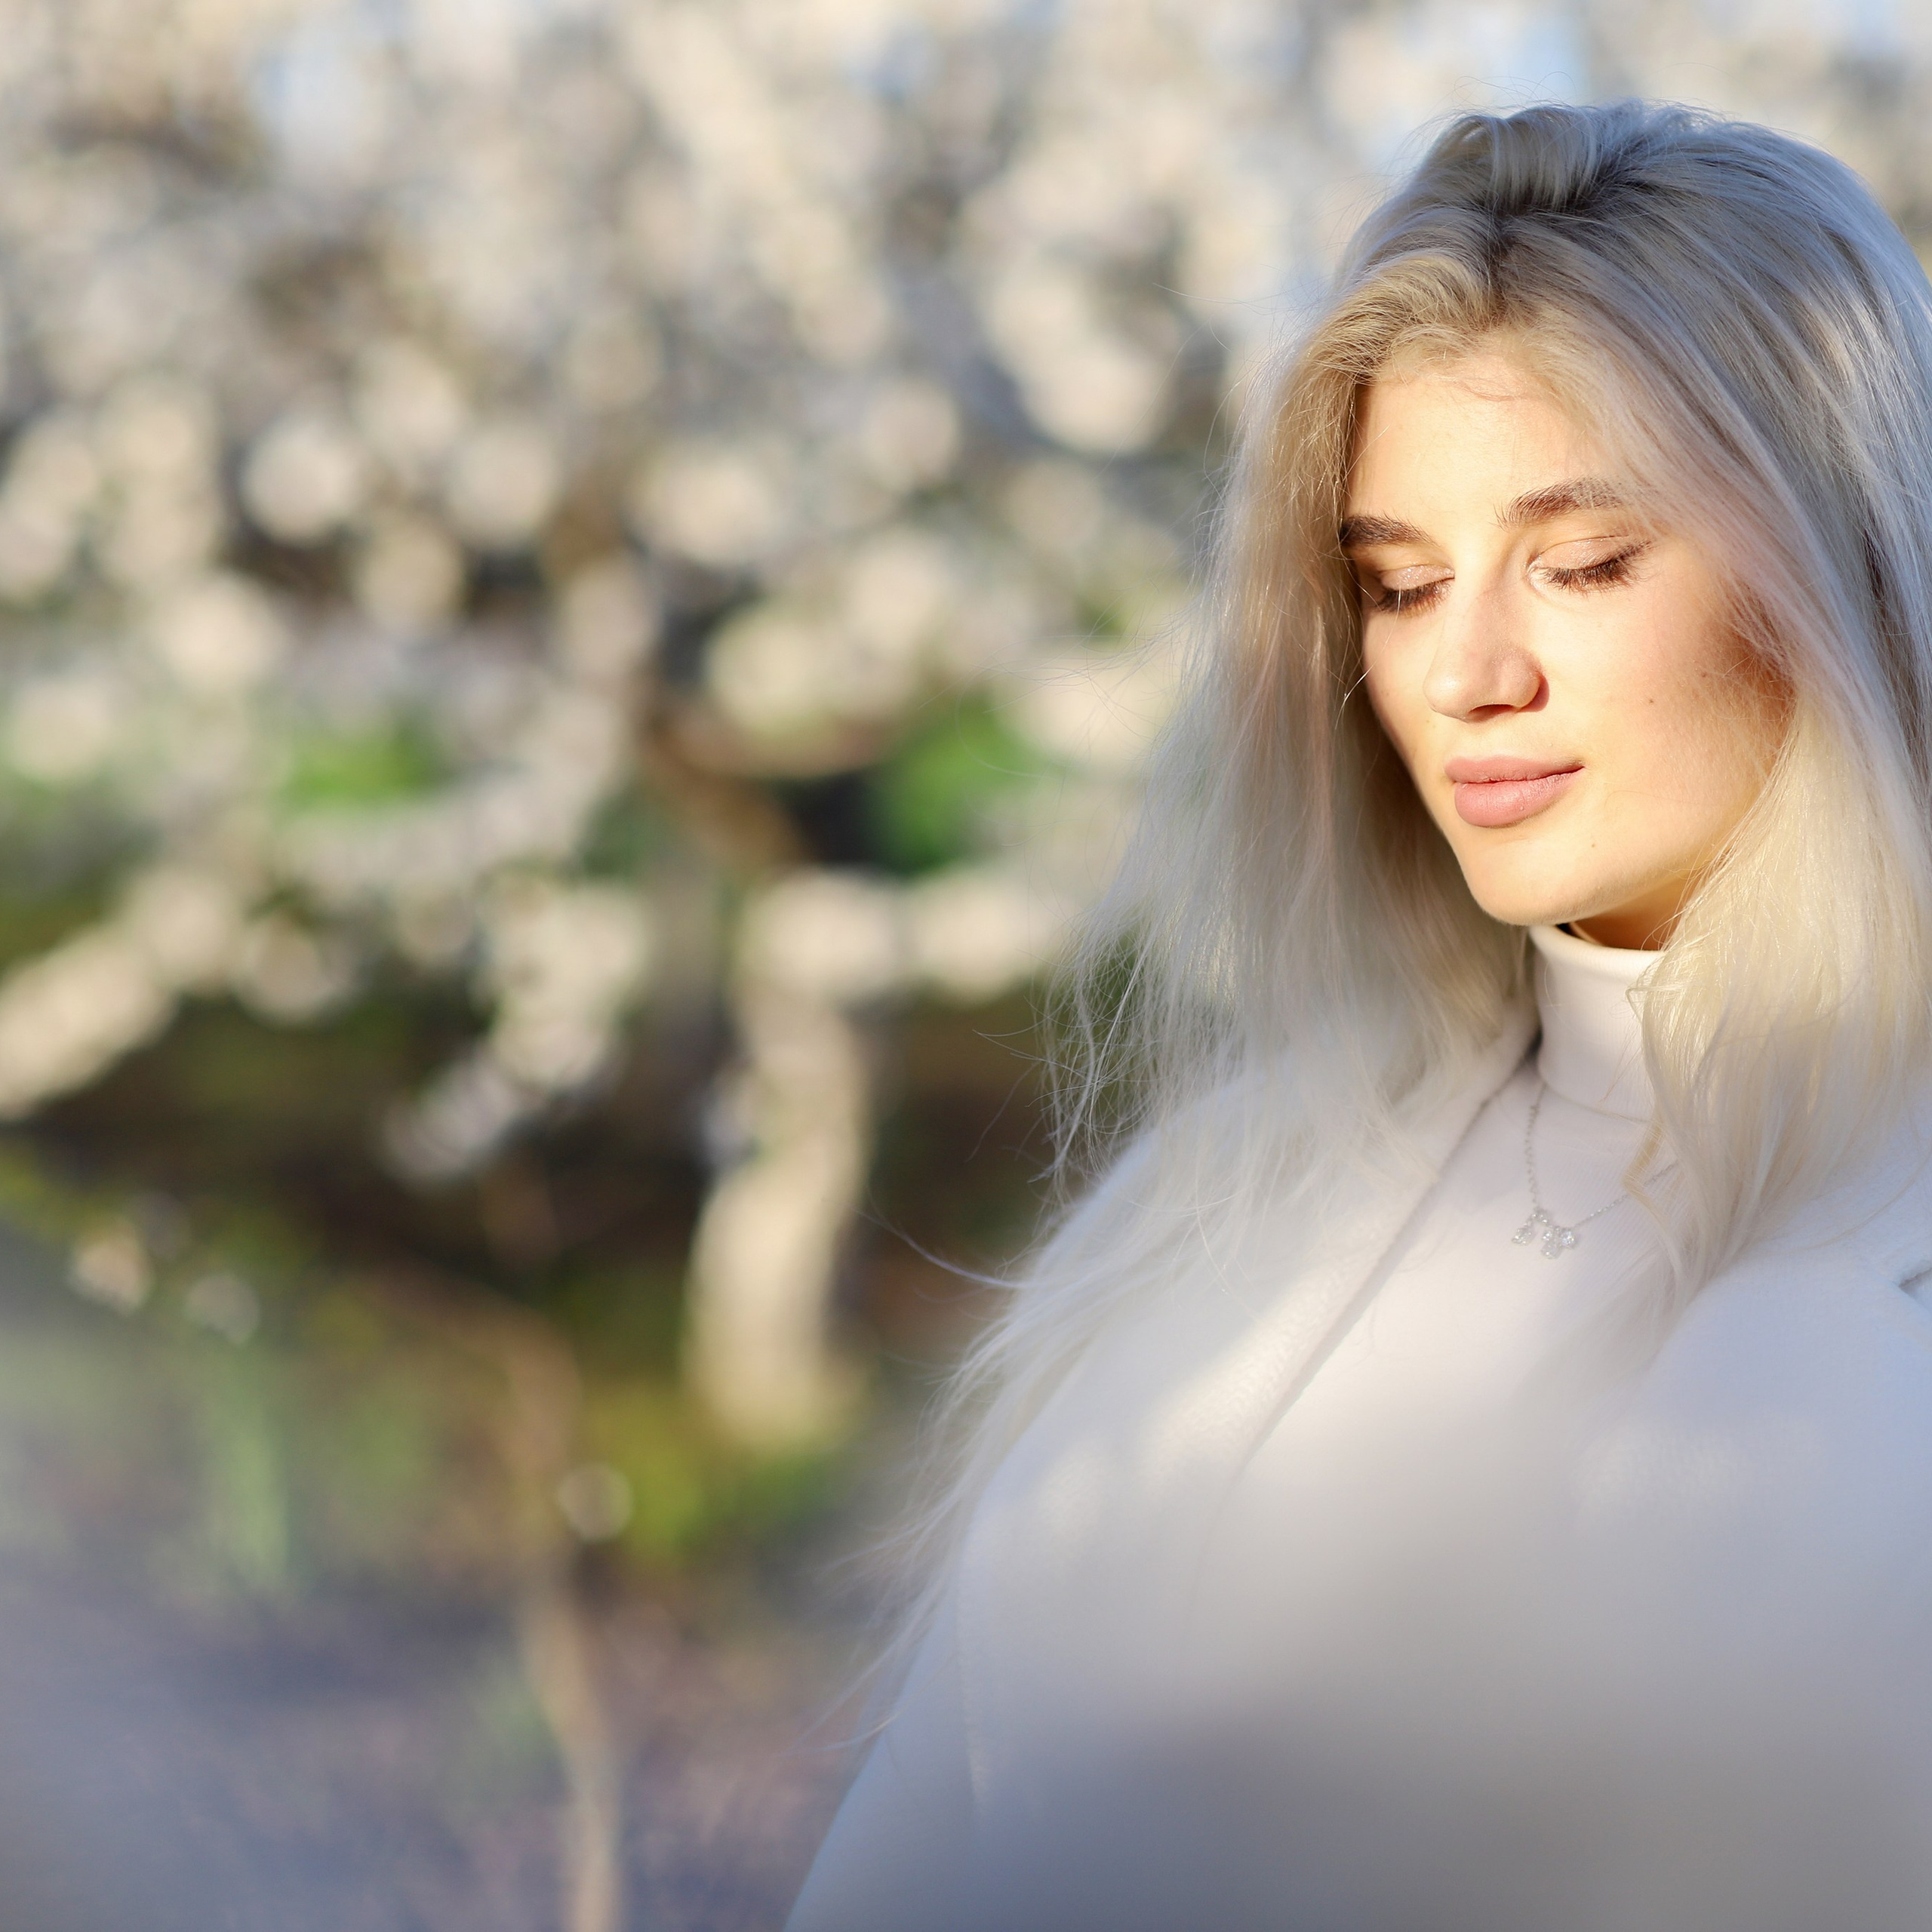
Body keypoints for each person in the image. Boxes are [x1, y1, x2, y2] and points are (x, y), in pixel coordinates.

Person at [788, 100, 1932, 1930]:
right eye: (1396, 583)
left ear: (1840, 562)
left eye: (1581, 561)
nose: (1467, 672)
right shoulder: (1230, 1201)